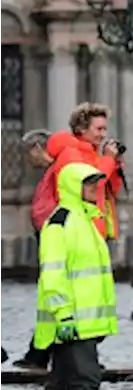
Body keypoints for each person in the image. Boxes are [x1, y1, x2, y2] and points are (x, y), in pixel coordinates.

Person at [35, 161, 119, 390]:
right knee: (85, 382)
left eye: (96, 182)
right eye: (88, 183)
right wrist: (63, 315)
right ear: (73, 186)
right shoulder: (60, 224)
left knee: (63, 384)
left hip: (82, 322)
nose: (95, 187)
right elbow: (53, 274)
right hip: (73, 322)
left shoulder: (85, 221)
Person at [31, 103, 124, 242]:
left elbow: (112, 192)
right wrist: (109, 159)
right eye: (99, 129)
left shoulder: (92, 154)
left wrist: (115, 165)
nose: (103, 135)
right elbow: (92, 185)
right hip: (76, 230)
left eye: (105, 129)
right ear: (82, 129)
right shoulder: (71, 154)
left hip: (91, 228)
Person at [6, 130, 51, 369]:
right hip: (48, 238)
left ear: (37, 148)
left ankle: (39, 354)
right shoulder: (51, 174)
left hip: (54, 241)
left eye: (28, 153)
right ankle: (38, 353)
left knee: (52, 298)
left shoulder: (56, 173)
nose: (28, 159)